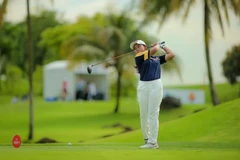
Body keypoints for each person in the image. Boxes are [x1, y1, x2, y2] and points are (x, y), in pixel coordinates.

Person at [130, 40, 175, 149]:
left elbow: (171, 55)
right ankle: (146, 139)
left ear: (145, 46)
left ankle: (153, 142)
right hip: (143, 86)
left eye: (138, 46)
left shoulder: (156, 59)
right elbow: (154, 50)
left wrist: (163, 46)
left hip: (156, 85)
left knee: (153, 114)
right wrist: (157, 45)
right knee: (143, 114)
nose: (136, 49)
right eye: (135, 48)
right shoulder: (139, 57)